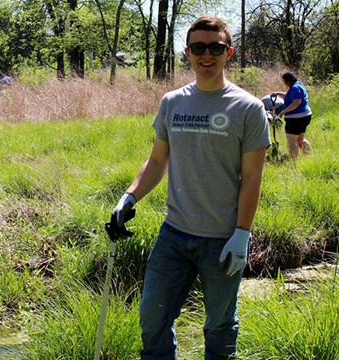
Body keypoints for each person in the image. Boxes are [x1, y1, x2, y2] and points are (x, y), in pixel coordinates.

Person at [112, 16, 270, 360]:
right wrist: (128, 197)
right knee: (152, 318)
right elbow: (157, 162)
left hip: (223, 238)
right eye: (199, 47)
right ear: (188, 53)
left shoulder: (248, 108)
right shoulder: (172, 101)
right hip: (174, 234)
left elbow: (253, 177)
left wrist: (242, 233)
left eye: (215, 47)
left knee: (219, 325)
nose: (207, 55)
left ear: (229, 52)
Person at [272, 72, 312, 157]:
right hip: (305, 116)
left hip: (296, 118)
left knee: (292, 140)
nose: (284, 83)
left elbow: (297, 102)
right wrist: (278, 93)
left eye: (284, 81)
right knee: (299, 140)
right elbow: (289, 96)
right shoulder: (298, 85)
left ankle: (294, 163)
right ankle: (309, 156)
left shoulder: (294, 88)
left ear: (288, 81)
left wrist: (283, 111)